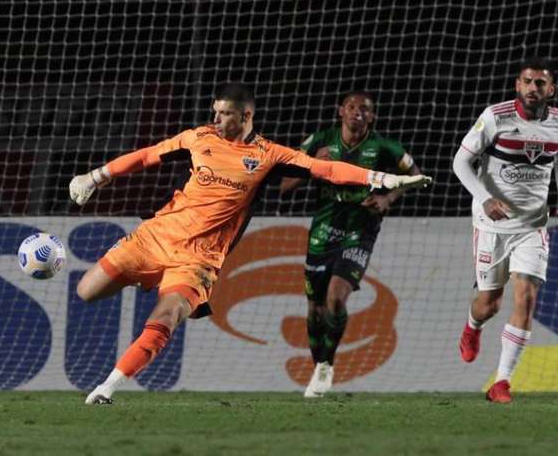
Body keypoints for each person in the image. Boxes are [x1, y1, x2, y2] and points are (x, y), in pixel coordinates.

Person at [68, 83, 432, 404]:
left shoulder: (269, 155)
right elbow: (147, 155)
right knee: (86, 291)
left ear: (245, 116)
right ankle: (147, 277)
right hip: (154, 237)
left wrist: (381, 180)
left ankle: (106, 388)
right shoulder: (198, 137)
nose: (216, 118)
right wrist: (97, 176)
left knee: (169, 314)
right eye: (215, 111)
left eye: (224, 114)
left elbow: (328, 170)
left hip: (198, 260)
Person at [280, 92, 424, 398]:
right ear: (340, 111)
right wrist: (310, 164)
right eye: (352, 107)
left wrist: (388, 197)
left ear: (371, 117)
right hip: (324, 229)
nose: (357, 112)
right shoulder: (321, 140)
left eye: (365, 109)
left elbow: (416, 176)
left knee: (335, 296)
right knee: (314, 311)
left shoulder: (384, 147)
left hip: (362, 229)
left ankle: (327, 366)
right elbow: (283, 184)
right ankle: (318, 365)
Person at [453, 58, 558, 403]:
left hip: (533, 226)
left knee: (526, 297)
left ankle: (502, 382)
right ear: (517, 86)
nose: (533, 88)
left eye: (540, 83)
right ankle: (472, 327)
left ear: (551, 90)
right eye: (527, 82)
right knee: (488, 304)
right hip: (492, 225)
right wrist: (485, 197)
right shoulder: (496, 116)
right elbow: (460, 162)